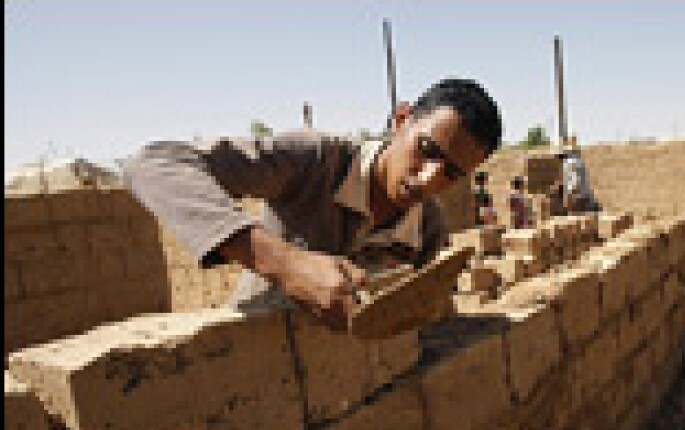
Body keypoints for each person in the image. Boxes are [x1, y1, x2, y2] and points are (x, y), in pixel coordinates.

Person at [120, 78, 502, 329]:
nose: (429, 179)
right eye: (426, 150)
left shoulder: (428, 229)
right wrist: (286, 264)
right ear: (401, 120)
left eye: (451, 173)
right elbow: (153, 165)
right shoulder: (316, 161)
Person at [561, 147, 600, 213]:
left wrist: (568, 197)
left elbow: (574, 181)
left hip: (578, 198)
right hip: (585, 196)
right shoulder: (579, 161)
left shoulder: (569, 163)